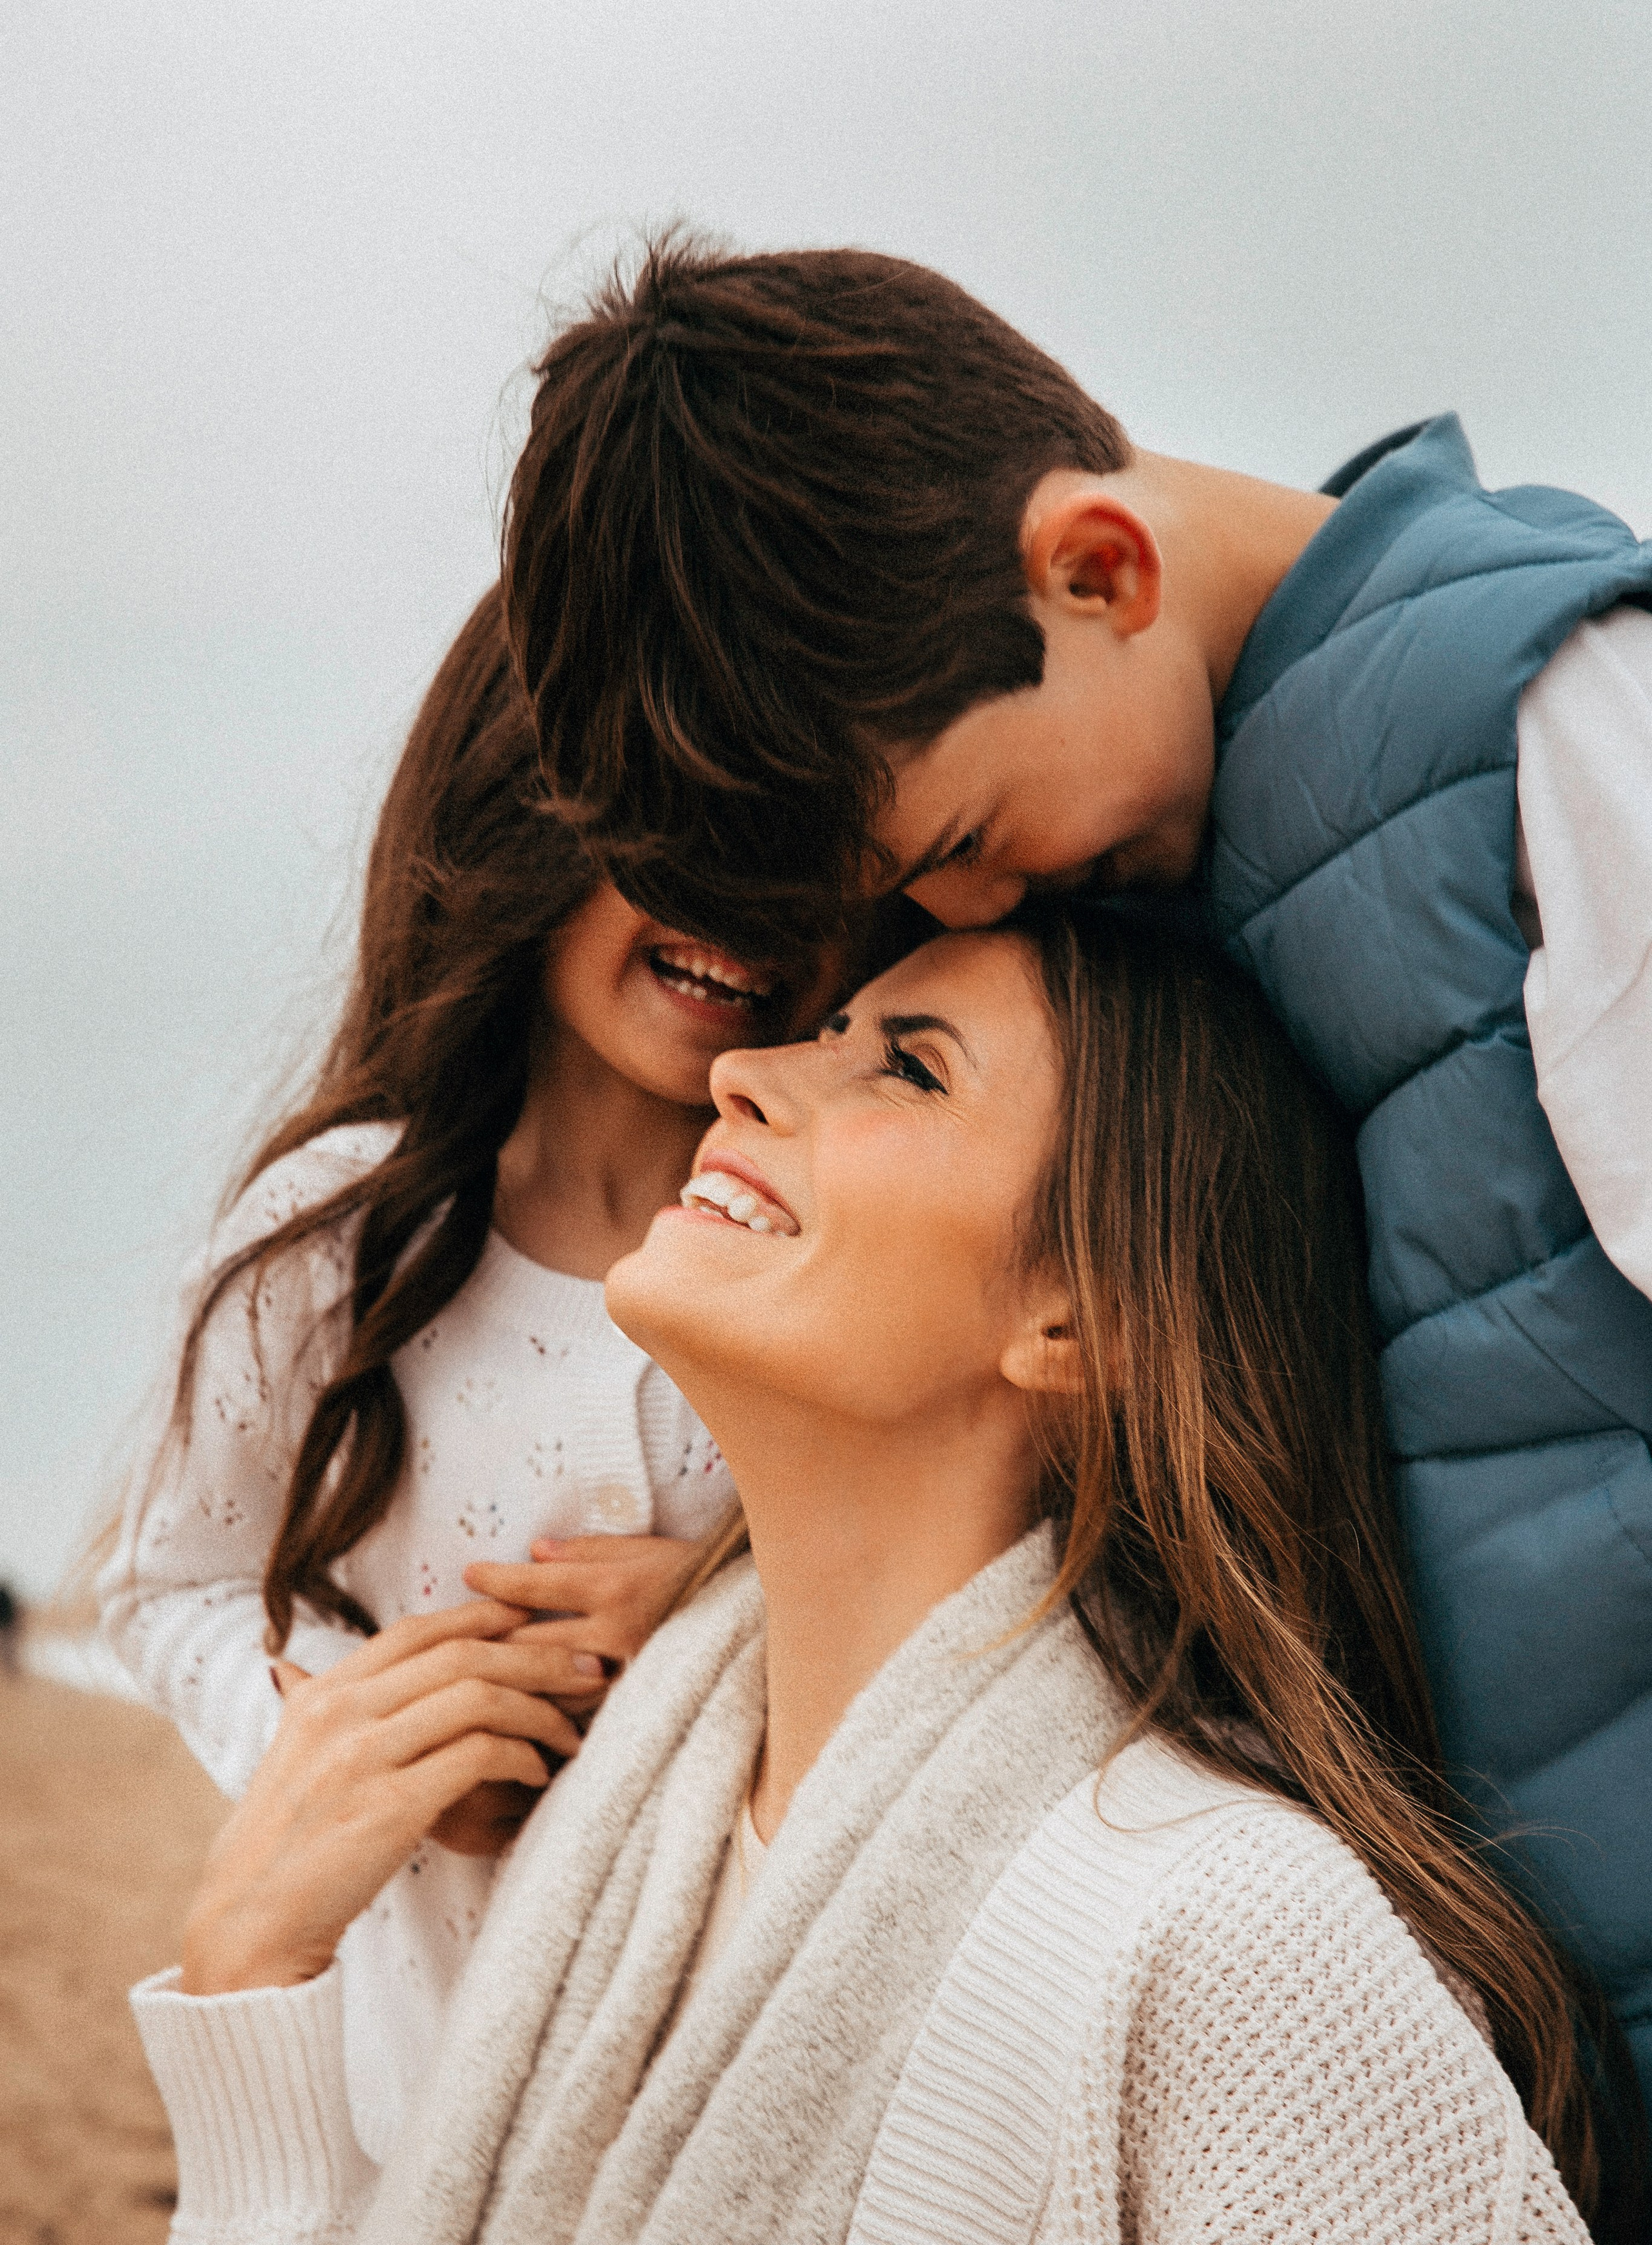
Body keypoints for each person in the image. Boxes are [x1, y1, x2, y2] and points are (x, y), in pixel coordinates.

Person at [496, 236, 1652, 2122]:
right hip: (1479, 2034)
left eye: (958, 837)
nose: (960, 911)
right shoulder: (1162, 838)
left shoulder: (1556, 722)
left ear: (1097, 571)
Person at [132, 912, 1633, 2240]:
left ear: (1077, 1321)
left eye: (904, 1068)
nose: (744, 1074)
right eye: (821, 1034)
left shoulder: (1229, 1938)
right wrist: (256, 1977)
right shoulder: (640, 1826)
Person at [97, 585, 840, 2158]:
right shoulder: (336, 1240)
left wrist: (724, 1626)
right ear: (525, 804)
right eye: (688, 810)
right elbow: (170, 1589)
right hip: (407, 2095)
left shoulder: (839, 1247)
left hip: (736, 2105)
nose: (746, 892)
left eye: (808, 835)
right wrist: (366, 1741)